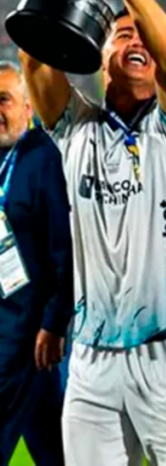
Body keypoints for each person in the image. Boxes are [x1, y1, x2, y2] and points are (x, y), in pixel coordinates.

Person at [21, 0, 166, 465]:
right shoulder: (75, 128)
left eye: (143, 35)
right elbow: (35, 61)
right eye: (122, 33)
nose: (136, 40)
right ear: (99, 53)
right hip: (92, 364)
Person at [0, 61, 73, 466]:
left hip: (29, 336)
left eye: (4, 100)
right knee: (55, 449)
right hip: (10, 331)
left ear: (29, 108)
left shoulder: (43, 158)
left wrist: (53, 320)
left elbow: (64, 247)